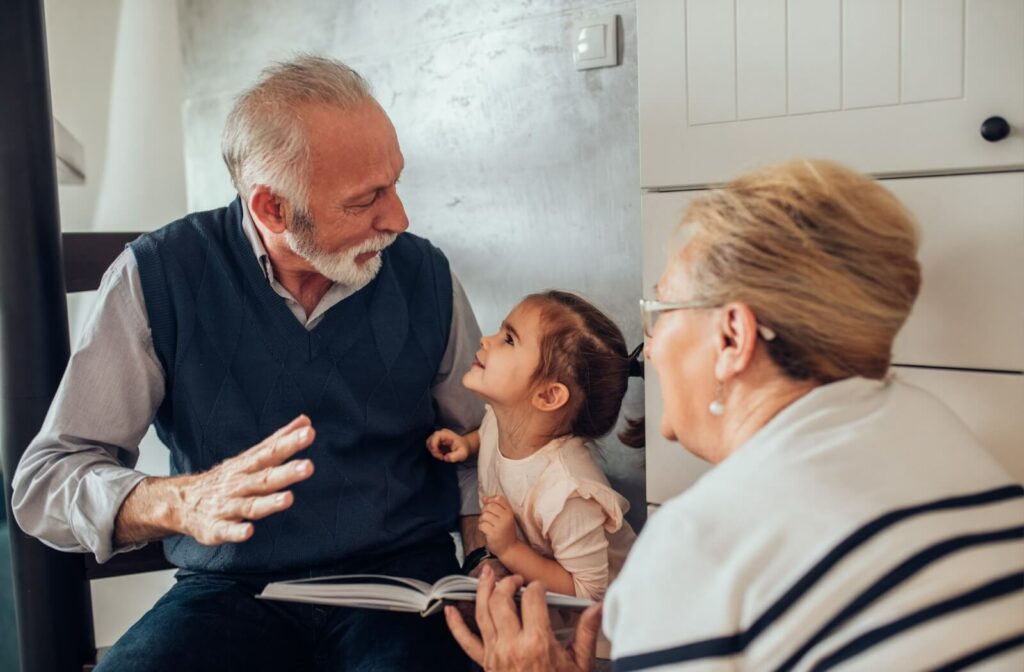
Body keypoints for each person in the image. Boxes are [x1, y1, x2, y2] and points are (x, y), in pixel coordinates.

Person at [444, 159, 1024, 671]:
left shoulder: (701, 546)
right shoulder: (938, 431)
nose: (652, 348)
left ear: (733, 337)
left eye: (662, 311)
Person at [12, 56, 486, 672]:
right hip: (230, 594)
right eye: (367, 198)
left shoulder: (426, 274)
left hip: (404, 592)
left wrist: (483, 560)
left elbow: (488, 446)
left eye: (395, 183)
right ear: (273, 210)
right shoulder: (157, 275)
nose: (399, 218)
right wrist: (180, 502)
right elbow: (46, 482)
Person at [426, 291, 639, 601]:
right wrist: (467, 444)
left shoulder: (568, 493)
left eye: (508, 340)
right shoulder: (502, 420)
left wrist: (510, 549)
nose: (486, 340)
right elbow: (489, 433)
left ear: (548, 396)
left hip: (607, 627)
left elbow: (590, 593)